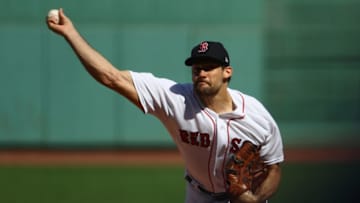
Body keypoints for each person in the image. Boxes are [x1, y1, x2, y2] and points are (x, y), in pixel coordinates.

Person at [46, 8, 284, 203]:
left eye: (209, 67)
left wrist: (255, 199)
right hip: (198, 196)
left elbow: (274, 169)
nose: (201, 72)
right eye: (196, 68)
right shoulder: (175, 99)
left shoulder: (257, 116)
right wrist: (71, 33)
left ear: (227, 72)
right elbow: (112, 77)